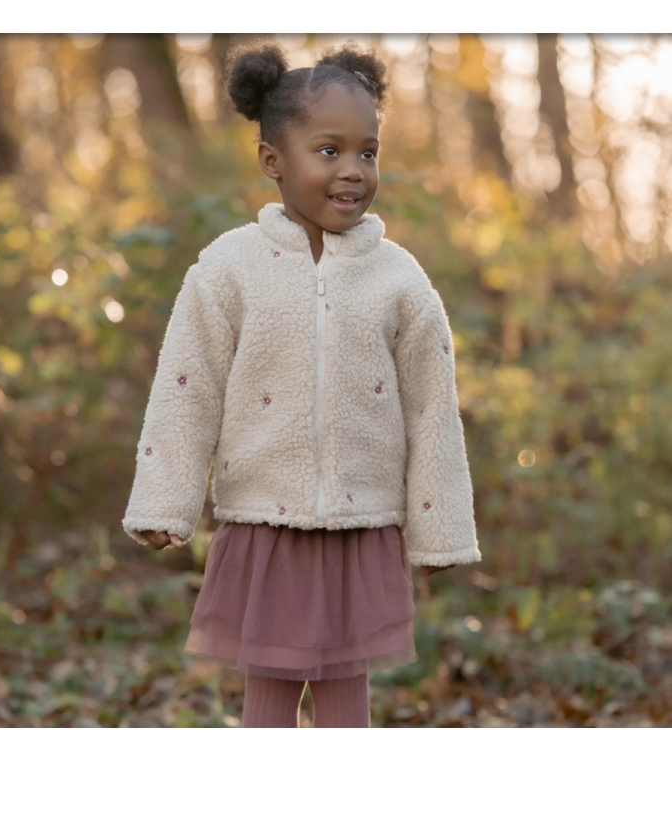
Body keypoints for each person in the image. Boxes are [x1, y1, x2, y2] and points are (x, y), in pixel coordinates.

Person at [121, 39, 481, 728]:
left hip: (362, 524)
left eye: (367, 152)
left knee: (348, 696)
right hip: (265, 523)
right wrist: (166, 501)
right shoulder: (229, 268)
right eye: (329, 151)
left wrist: (439, 531)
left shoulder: (399, 280)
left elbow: (434, 410)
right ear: (272, 160)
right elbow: (187, 386)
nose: (353, 170)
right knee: (271, 695)